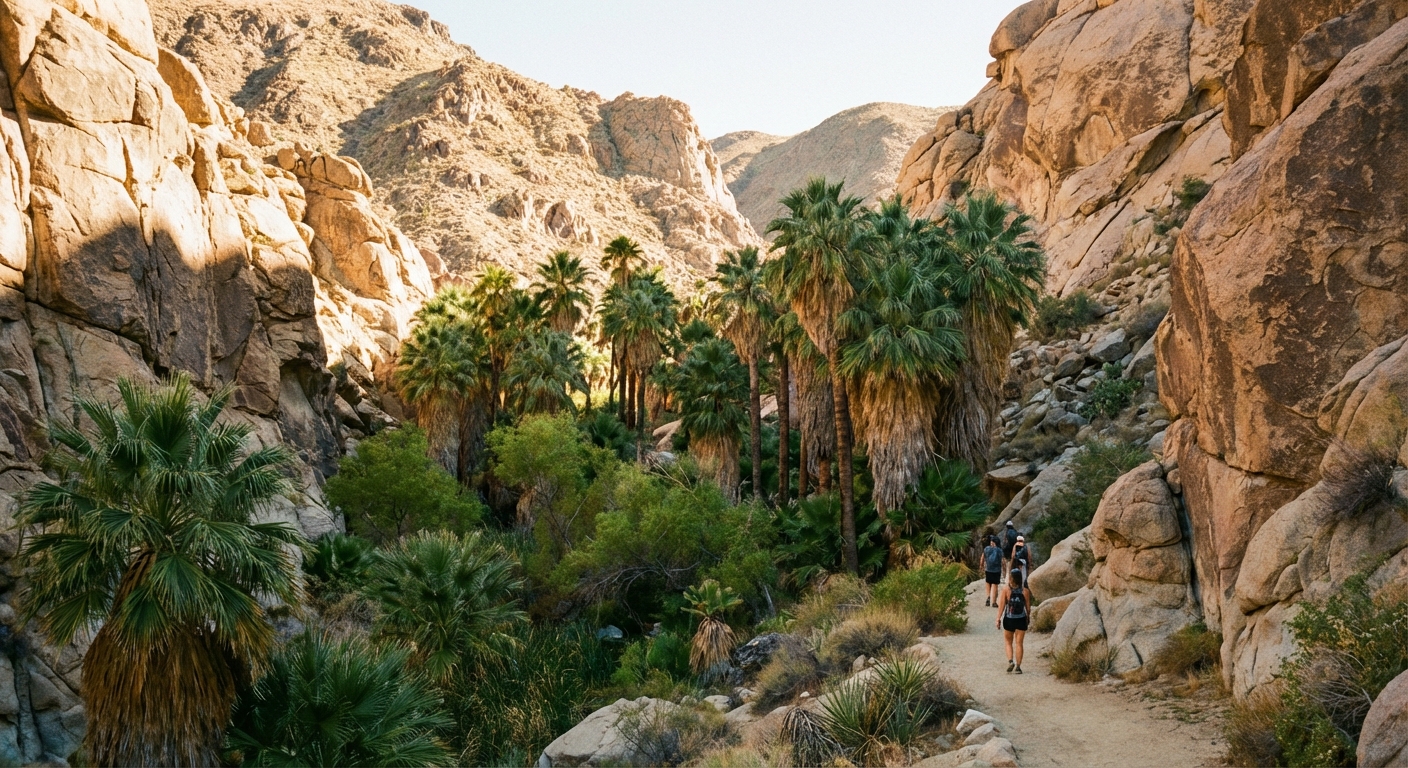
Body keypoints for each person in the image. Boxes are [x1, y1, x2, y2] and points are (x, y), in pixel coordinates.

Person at [996, 568, 1032, 674]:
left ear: (1011, 578)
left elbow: (1001, 606)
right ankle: (1018, 667)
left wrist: (998, 618)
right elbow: (1028, 608)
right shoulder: (1025, 591)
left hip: (1009, 619)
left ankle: (1011, 661)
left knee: (1008, 642)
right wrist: (1028, 617)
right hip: (1021, 619)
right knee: (1019, 643)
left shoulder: (1006, 590)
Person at [982, 535, 1003, 607]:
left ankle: (988, 597)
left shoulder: (986, 549)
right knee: (995, 585)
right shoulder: (999, 550)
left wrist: (981, 566)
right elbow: (1002, 561)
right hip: (997, 570)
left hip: (988, 569)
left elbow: (982, 558)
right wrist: (1004, 569)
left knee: (988, 583)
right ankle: (994, 602)